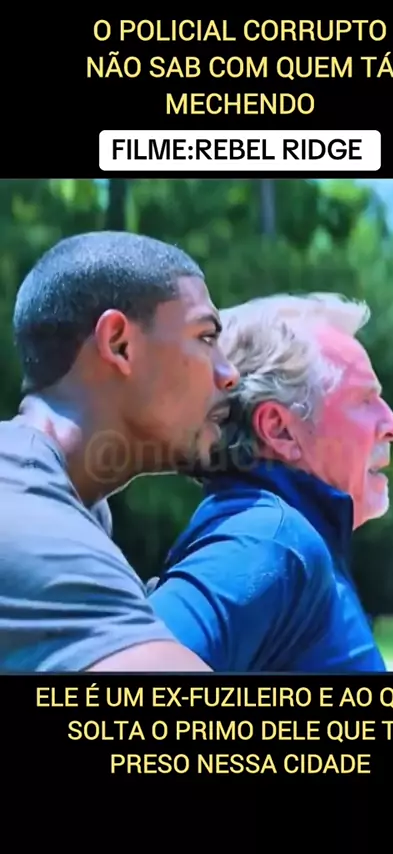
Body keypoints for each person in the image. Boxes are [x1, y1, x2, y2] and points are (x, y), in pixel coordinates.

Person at [0, 230, 238, 672]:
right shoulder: (26, 515)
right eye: (206, 337)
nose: (229, 373)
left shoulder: (62, 499)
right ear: (119, 344)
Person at [149, 292, 393, 672]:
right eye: (364, 401)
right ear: (279, 429)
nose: (392, 425)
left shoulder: (281, 536)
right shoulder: (269, 541)